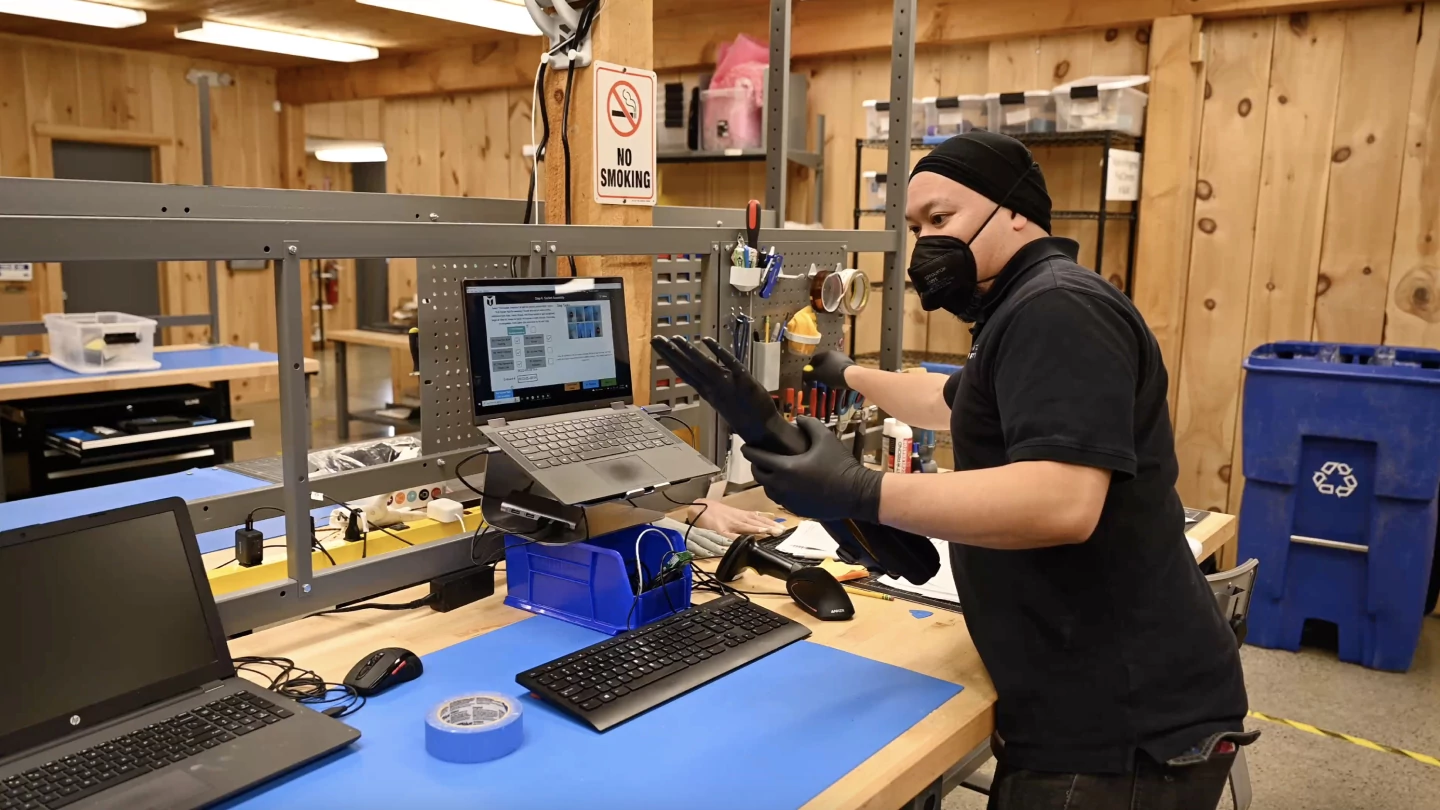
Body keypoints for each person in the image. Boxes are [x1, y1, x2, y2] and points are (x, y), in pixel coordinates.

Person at [740, 131, 1256, 810]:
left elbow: (1061, 503)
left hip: (1117, 728)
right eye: (917, 227)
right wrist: (845, 372)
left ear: (1015, 211)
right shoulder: (1027, 304)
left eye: (941, 220)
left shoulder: (1056, 310)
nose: (926, 244)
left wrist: (856, 487)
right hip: (1089, 691)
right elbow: (947, 402)